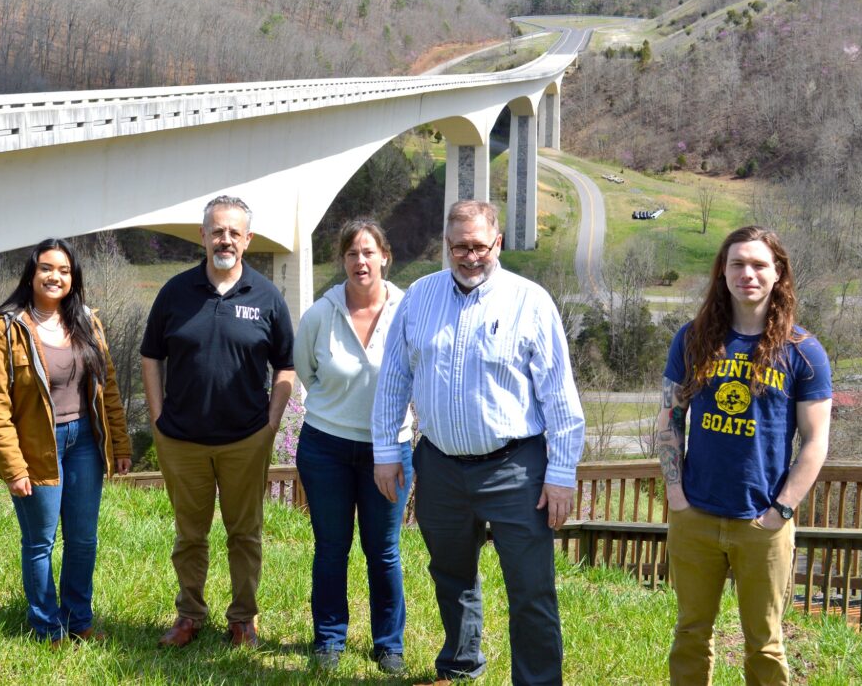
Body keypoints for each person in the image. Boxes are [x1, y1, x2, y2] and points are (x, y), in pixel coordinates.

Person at [372, 200, 585, 686]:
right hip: (440, 465)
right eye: (459, 247)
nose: (470, 257)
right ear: (445, 246)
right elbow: (393, 381)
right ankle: (460, 664)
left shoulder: (531, 301)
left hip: (517, 468)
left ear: (498, 244)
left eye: (479, 247)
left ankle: (537, 681)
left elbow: (559, 397)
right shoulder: (419, 298)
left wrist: (561, 474)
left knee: (530, 588)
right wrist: (387, 451)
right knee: (451, 574)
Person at [657, 225, 832, 685]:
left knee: (765, 643)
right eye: (737, 263)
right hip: (695, 513)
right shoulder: (692, 339)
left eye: (759, 264)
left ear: (778, 275)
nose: (747, 273)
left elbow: (816, 442)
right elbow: (670, 419)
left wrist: (781, 511)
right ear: (723, 272)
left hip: (764, 521)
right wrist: (676, 494)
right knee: (691, 633)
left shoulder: (803, 352)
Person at [141, 195, 295, 649]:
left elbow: (285, 366)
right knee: (190, 535)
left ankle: (243, 619)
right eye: (216, 230)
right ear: (202, 236)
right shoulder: (175, 292)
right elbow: (151, 357)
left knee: (244, 534)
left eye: (234, 232)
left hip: (246, 438)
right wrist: (156, 418)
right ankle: (189, 615)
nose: (224, 239)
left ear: (247, 240)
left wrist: (271, 424)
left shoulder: (267, 296)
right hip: (181, 439)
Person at [0, 238, 131, 645]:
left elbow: (108, 388)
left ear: (72, 278)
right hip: (36, 448)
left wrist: (121, 444)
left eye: (64, 271)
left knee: (83, 539)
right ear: (31, 274)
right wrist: (13, 467)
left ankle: (79, 620)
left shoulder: (87, 322)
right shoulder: (4, 328)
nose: (55, 276)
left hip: (84, 444)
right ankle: (47, 626)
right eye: (47, 268)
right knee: (40, 541)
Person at [294, 219, 413, 674]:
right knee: (331, 546)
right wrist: (339, 408)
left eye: (368, 252)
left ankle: (389, 645)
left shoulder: (407, 308)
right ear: (342, 260)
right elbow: (306, 370)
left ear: (384, 255)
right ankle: (328, 640)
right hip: (326, 446)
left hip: (391, 449)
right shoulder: (320, 314)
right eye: (351, 254)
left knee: (383, 549)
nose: (360, 261)